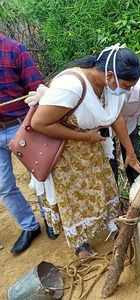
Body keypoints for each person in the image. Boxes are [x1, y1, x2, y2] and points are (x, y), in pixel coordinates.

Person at [29, 44, 140, 258]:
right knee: (75, 196)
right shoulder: (70, 86)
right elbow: (40, 123)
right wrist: (85, 137)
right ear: (110, 75)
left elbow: (115, 116)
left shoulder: (111, 87)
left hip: (93, 146)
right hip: (66, 153)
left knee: (102, 186)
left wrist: (130, 152)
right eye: (127, 85)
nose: (127, 90)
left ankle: (111, 224)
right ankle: (80, 243)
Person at [0, 33, 42, 255]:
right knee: (3, 186)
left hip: (20, 124)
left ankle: (51, 220)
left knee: (40, 175)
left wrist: (31, 123)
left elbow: (37, 89)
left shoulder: (14, 49)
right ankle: (29, 226)